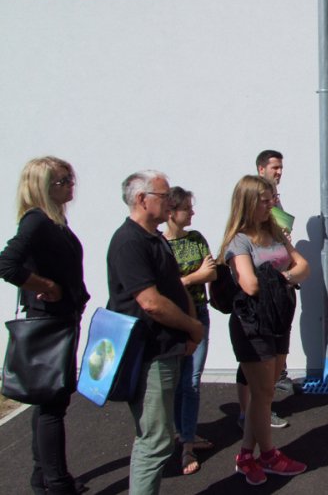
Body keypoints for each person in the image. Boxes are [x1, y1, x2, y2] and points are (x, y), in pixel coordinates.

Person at [106, 170, 204, 495]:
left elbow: (175, 286)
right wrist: (192, 326)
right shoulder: (129, 241)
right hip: (149, 354)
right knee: (156, 441)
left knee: (156, 437)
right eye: (163, 197)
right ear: (141, 199)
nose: (169, 202)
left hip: (167, 348)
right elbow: (150, 303)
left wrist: (191, 330)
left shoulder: (155, 237)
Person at [0, 157, 89, 495]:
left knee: (47, 401)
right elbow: (7, 264)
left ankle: (44, 477)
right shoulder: (37, 221)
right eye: (63, 180)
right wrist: (45, 285)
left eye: (70, 178)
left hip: (60, 320)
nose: (71, 185)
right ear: (44, 186)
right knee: (52, 403)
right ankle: (56, 482)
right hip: (49, 323)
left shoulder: (52, 221)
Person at [220, 175, 309, 486]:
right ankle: (268, 454)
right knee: (264, 393)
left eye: (272, 198)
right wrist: (286, 275)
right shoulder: (238, 241)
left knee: (264, 393)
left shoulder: (273, 231)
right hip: (252, 324)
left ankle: (246, 455)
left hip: (279, 319)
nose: (271, 203)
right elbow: (249, 284)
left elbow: (304, 267)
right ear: (248, 202)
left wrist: (281, 276)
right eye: (265, 199)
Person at [236, 149, 291, 430]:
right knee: (253, 361)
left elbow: (291, 253)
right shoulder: (254, 201)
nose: (279, 172)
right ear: (261, 169)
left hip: (278, 296)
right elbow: (250, 279)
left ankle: (257, 412)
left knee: (272, 360)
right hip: (257, 305)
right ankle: (250, 413)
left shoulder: (276, 201)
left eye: (281, 167)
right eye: (275, 167)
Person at [163, 186, 216, 475]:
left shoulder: (196, 239)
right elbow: (164, 284)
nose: (193, 212)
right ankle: (180, 431)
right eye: (187, 208)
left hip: (200, 316)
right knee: (175, 381)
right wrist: (194, 277)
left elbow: (213, 272)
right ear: (171, 212)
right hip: (172, 320)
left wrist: (183, 280)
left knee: (192, 380)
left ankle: (186, 442)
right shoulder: (159, 244)